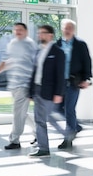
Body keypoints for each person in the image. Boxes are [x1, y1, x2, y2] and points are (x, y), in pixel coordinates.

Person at [0, 22, 38, 149]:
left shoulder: (30, 45)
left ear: (26, 31)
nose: (18, 32)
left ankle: (14, 140)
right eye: (16, 30)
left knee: (17, 113)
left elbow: (36, 65)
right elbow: (6, 62)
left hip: (24, 84)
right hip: (14, 84)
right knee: (22, 113)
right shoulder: (12, 44)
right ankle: (38, 133)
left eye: (20, 30)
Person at [53, 19, 92, 150]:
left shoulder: (80, 44)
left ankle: (68, 138)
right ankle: (76, 126)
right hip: (59, 83)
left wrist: (86, 78)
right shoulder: (57, 44)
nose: (67, 30)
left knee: (69, 109)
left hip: (73, 81)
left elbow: (87, 61)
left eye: (70, 27)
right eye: (65, 27)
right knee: (57, 108)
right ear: (62, 29)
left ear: (73, 30)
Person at [28, 25, 66, 157]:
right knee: (39, 120)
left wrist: (58, 93)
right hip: (38, 89)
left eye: (43, 33)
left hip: (50, 91)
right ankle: (43, 149)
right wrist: (30, 91)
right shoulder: (38, 51)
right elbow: (34, 72)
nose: (40, 35)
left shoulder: (58, 52)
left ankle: (69, 133)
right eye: (39, 33)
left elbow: (60, 75)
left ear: (50, 35)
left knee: (50, 117)